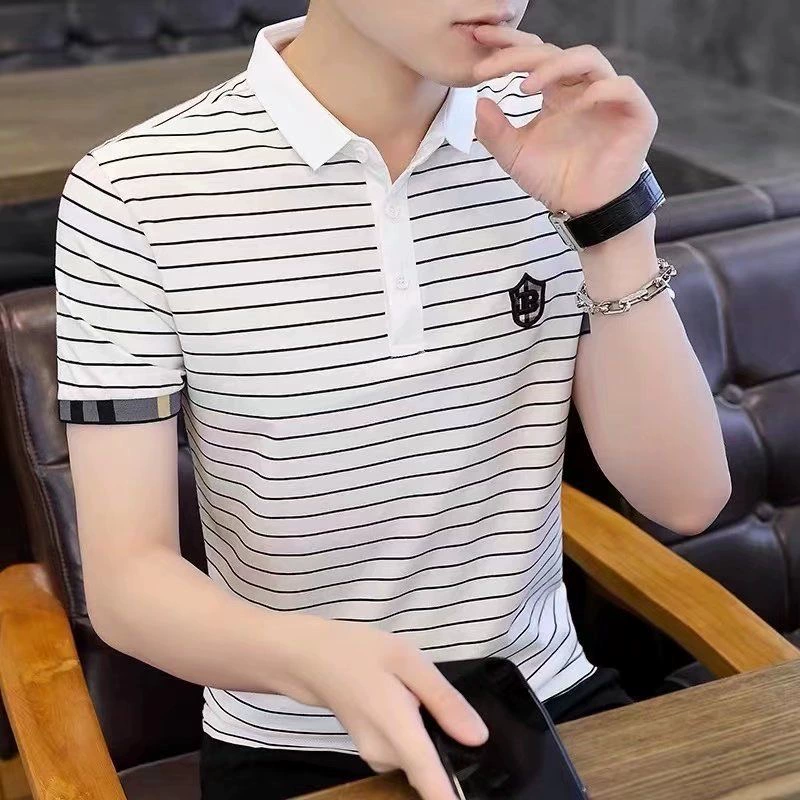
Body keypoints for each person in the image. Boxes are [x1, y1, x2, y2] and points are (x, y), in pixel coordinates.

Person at [54, 2, 732, 799]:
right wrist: (317, 659)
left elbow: (685, 500)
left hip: (544, 704)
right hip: (294, 740)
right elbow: (128, 583)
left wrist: (612, 230)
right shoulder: (131, 191)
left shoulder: (557, 129)